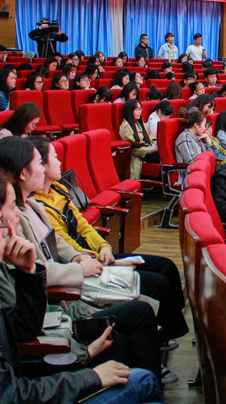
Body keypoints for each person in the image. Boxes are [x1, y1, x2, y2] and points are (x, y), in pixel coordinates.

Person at [0, 174, 163, 403]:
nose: (9, 229)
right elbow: (8, 394)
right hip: (31, 383)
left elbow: (22, 329)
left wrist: (28, 273)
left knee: (129, 355)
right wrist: (91, 375)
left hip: (31, 378)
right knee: (142, 379)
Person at [0, 137, 168, 383]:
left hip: (64, 292)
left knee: (145, 300)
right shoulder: (13, 226)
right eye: (40, 163)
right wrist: (80, 267)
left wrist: (81, 255)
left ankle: (146, 382)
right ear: (22, 173)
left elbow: (57, 241)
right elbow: (36, 283)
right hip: (60, 302)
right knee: (138, 313)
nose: (45, 168)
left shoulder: (32, 204)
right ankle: (146, 384)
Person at [28, 137, 188, 349]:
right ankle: (162, 336)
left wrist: (104, 246)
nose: (60, 163)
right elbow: (64, 244)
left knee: (166, 266)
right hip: (84, 262)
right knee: (157, 283)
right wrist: (96, 257)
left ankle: (172, 327)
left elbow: (83, 225)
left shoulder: (58, 188)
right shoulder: (39, 205)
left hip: (95, 254)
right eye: (55, 157)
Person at [119, 99, 157, 179]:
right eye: (137, 109)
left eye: (140, 109)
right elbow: (133, 148)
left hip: (147, 151)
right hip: (138, 155)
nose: (139, 112)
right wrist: (152, 150)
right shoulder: (125, 127)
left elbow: (148, 140)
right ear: (130, 111)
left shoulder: (140, 123)